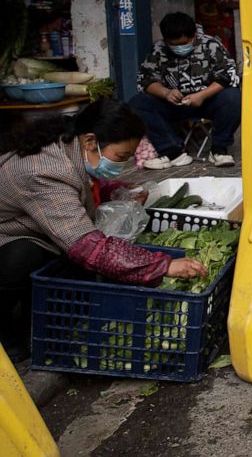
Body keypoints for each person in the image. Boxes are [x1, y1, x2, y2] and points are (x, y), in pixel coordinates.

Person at [0, 99, 207, 360]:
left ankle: (37, 317)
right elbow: (86, 246)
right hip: (8, 240)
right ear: (90, 141)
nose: (124, 163)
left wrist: (115, 190)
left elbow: (79, 186)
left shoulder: (70, 145)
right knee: (28, 256)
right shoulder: (44, 171)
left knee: (61, 259)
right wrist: (162, 266)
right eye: (121, 157)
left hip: (28, 228)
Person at [129, 11, 242, 169]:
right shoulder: (158, 49)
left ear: (194, 34)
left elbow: (228, 76)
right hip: (174, 105)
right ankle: (172, 151)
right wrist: (166, 93)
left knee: (234, 97)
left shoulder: (211, 45)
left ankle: (219, 149)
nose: (179, 48)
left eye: (184, 43)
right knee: (138, 103)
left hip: (207, 102)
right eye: (173, 45)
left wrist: (202, 95)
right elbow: (146, 80)